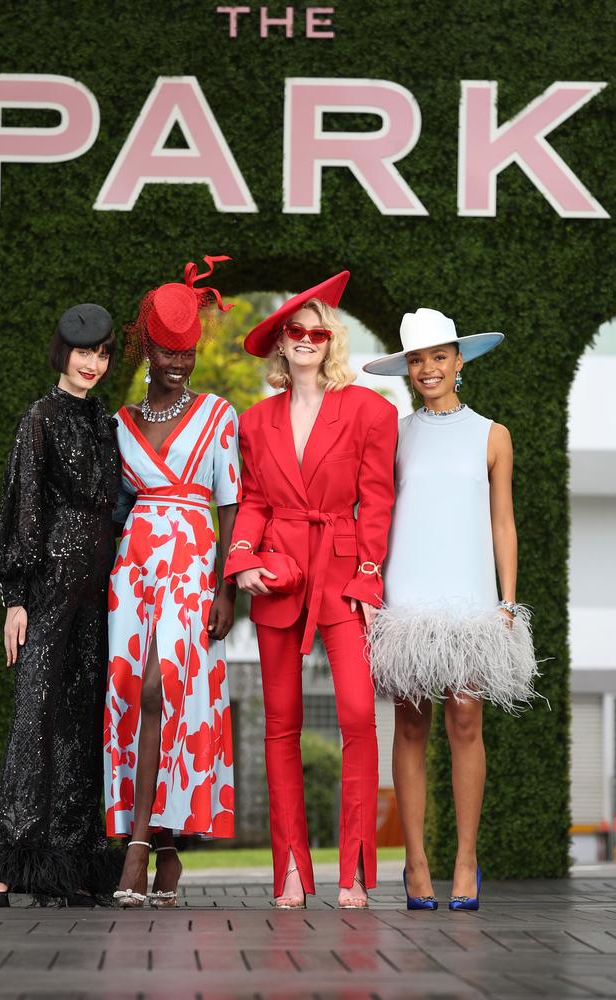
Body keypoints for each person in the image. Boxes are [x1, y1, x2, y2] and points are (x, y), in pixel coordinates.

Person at [223, 272, 398, 909]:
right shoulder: (255, 420)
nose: (305, 340)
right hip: (277, 574)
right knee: (280, 727)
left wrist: (368, 575)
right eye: (294, 331)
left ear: (331, 342)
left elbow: (378, 500)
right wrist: (240, 559)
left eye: (316, 332)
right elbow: (254, 503)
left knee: (356, 715)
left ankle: (351, 871)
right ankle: (291, 871)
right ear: (281, 343)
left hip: (345, 572)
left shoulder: (371, 411)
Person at [364, 307, 539, 912]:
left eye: (439, 356)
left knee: (466, 720)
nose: (428, 368)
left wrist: (507, 601)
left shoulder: (493, 435)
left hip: (471, 598)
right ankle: (416, 864)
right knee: (410, 723)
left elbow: (503, 522)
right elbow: (378, 515)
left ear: (460, 361)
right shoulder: (394, 434)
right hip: (407, 597)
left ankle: (466, 859)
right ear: (407, 369)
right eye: (417, 359)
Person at [0, 304, 122, 907]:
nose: (93, 364)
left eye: (103, 354)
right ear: (63, 353)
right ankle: (8, 855)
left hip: (98, 587)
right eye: (84, 352)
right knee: (33, 712)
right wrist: (14, 598)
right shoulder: (39, 417)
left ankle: (67, 859)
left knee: (83, 717)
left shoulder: (103, 422)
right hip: (50, 582)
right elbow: (20, 506)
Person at [105, 255, 240, 908]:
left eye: (187, 352)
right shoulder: (121, 426)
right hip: (133, 571)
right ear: (148, 347)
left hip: (192, 564)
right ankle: (165, 848)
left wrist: (228, 586)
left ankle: (135, 847)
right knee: (133, 696)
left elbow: (233, 504)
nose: (179, 364)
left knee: (165, 690)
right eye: (168, 351)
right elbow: (110, 508)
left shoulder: (218, 416)